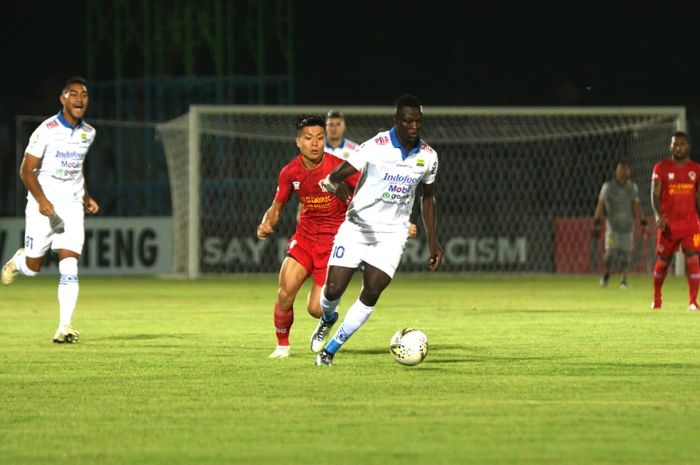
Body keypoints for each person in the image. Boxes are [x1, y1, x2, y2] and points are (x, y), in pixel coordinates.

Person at [310, 94, 444, 366]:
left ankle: (331, 350)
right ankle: (328, 318)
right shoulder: (376, 146)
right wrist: (337, 188)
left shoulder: (428, 157)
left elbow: (427, 197)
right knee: (333, 289)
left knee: (373, 289)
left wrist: (433, 241)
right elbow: (339, 174)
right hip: (358, 227)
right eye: (408, 121)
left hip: (392, 234)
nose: (414, 126)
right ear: (396, 120)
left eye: (418, 121)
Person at [1, 76, 99, 343]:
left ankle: (64, 326)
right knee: (33, 268)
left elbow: (77, 166)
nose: (80, 98)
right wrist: (43, 201)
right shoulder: (46, 129)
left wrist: (86, 196)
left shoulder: (88, 133)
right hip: (42, 204)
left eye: (84, 94)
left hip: (71, 205)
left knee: (70, 263)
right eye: (73, 94)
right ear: (63, 99)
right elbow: (26, 170)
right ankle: (18, 261)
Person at [257, 115, 358, 358]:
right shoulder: (290, 172)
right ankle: (282, 346)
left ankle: (328, 318)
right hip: (305, 237)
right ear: (298, 142)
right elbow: (278, 205)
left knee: (315, 309)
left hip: (334, 243)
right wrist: (266, 221)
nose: (315, 143)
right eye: (308, 138)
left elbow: (368, 191)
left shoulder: (340, 168)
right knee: (285, 291)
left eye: (320, 138)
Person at [650, 131, 700, 310]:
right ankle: (657, 297)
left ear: (688, 147)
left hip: (690, 223)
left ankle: (693, 301)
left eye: (682, 144)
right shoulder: (661, 168)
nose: (678, 147)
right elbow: (655, 195)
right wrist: (657, 215)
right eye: (675, 144)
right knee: (663, 261)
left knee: (693, 258)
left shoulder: (696, 169)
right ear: (670, 147)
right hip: (668, 223)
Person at [592, 161, 647, 288]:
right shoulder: (608, 187)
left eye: (625, 169)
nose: (623, 172)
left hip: (627, 226)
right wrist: (597, 221)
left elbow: (636, 205)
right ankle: (606, 275)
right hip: (613, 226)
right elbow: (601, 204)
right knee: (610, 253)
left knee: (625, 254)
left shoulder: (632, 187)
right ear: (616, 171)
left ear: (629, 171)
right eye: (620, 169)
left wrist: (643, 221)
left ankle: (623, 279)